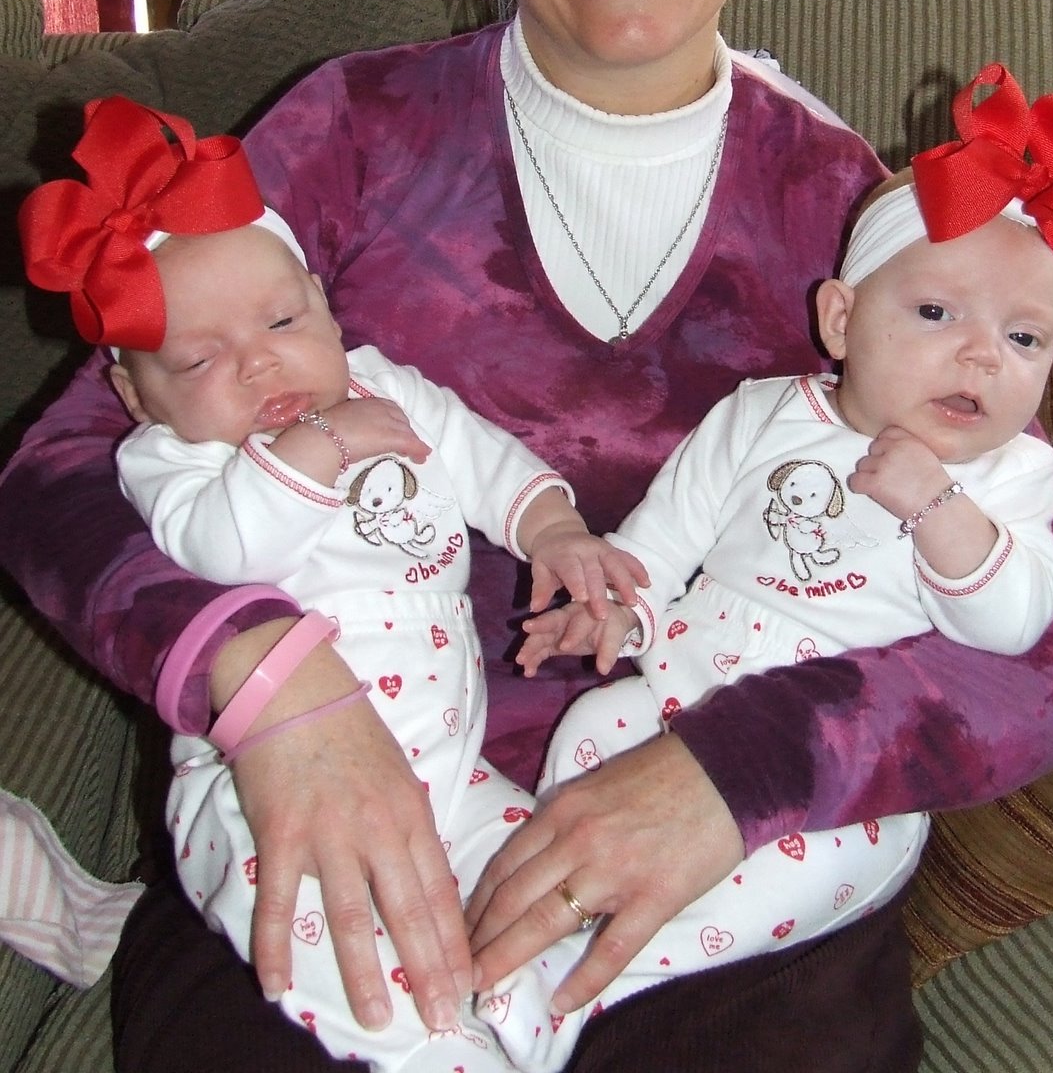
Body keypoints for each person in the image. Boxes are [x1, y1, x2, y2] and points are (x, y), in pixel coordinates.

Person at [0, 0, 1053, 1073]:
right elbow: (64, 470)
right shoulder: (346, 139)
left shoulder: (869, 229)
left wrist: (736, 771)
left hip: (727, 862)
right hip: (338, 798)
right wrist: (264, 684)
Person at [483, 63, 1053, 1068]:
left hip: (835, 795)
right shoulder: (759, 415)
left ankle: (575, 992)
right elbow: (663, 544)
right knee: (588, 730)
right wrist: (613, 610)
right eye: (936, 314)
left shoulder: (1010, 478)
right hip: (673, 694)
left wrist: (939, 507)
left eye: (1022, 337)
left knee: (791, 878)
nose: (981, 357)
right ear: (840, 319)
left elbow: (1015, 624)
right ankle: (530, 916)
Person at [18, 94, 648, 1071]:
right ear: (137, 394)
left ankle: (535, 1016)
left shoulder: (381, 385)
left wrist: (553, 527)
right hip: (261, 789)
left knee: (543, 885)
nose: (260, 361)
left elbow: (482, 459)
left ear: (322, 300)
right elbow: (223, 553)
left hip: (452, 774)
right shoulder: (171, 460)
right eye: (201, 357)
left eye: (282, 319)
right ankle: (440, 1047)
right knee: (355, 960)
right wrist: (317, 448)